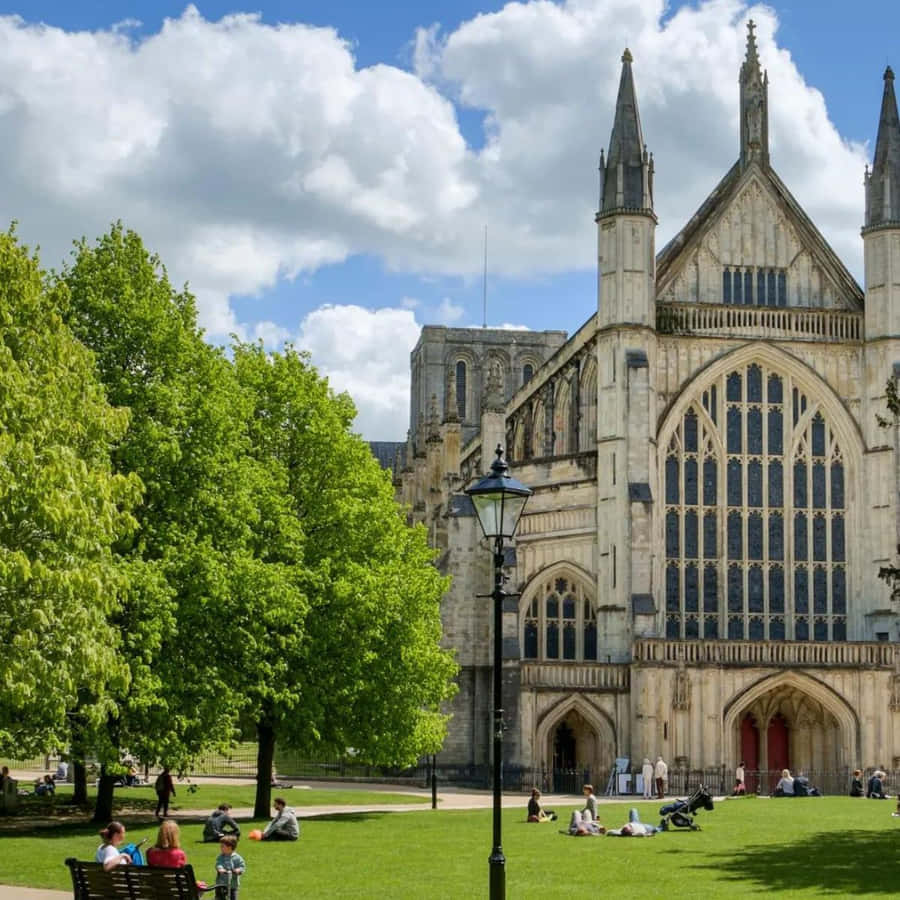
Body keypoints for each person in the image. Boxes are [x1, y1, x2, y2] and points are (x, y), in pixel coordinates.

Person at [215, 835, 246, 899]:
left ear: (229, 847)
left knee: (233, 897)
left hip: (233, 884)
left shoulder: (237, 858)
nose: (220, 848)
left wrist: (238, 870)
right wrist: (220, 869)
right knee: (219, 897)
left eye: (222, 846)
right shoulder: (221, 857)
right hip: (221, 883)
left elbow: (242, 866)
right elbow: (218, 863)